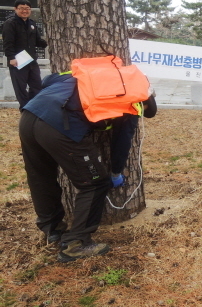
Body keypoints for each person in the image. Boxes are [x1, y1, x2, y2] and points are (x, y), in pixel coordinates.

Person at [19, 71, 157, 262]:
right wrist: (116, 172)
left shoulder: (95, 74)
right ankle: (77, 243)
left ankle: (52, 230)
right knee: (95, 182)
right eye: (145, 108)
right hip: (61, 125)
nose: (141, 112)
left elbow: (48, 80)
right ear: (144, 99)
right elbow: (122, 142)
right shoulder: (132, 101)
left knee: (41, 176)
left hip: (30, 115)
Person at [2, 0, 48, 110]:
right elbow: (8, 42)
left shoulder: (32, 23)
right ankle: (25, 109)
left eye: (27, 8)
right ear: (15, 9)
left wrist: (49, 41)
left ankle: (33, 107)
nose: (25, 11)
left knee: (36, 85)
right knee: (20, 88)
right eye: (21, 8)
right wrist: (11, 58)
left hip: (31, 60)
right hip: (18, 61)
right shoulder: (10, 23)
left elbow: (38, 41)